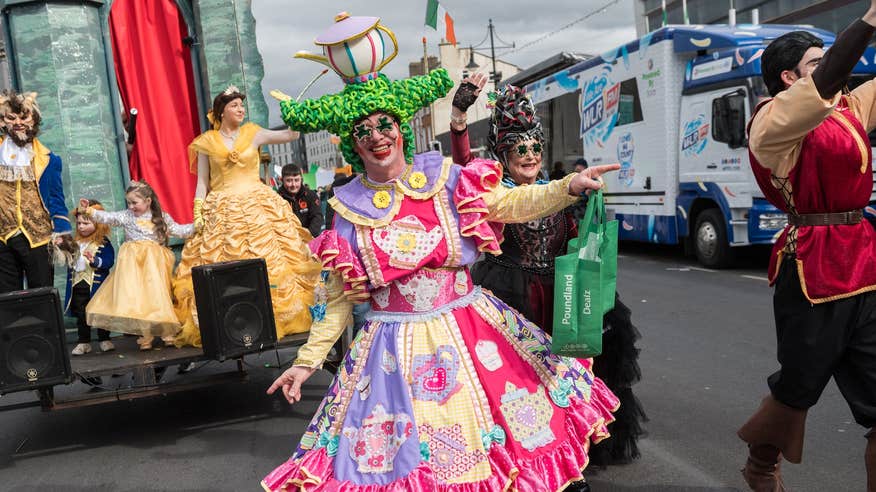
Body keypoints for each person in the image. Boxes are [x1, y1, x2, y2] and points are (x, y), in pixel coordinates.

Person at [261, 13, 621, 491]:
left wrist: (566, 186)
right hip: (392, 351)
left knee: (500, 444)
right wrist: (306, 362)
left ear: (400, 128)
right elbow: (340, 298)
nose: (377, 136)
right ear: (353, 142)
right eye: (364, 129)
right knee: (414, 468)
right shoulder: (346, 210)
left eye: (385, 123)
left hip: (469, 327)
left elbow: (509, 203)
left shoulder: (446, 178)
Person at [450, 76, 647, 469]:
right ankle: (527, 457)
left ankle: (574, 446)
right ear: (503, 155)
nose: (530, 154)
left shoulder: (557, 189)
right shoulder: (494, 196)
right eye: (519, 149)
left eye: (535, 147)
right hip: (511, 297)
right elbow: (464, 169)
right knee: (519, 384)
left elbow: (574, 242)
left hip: (562, 293)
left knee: (572, 376)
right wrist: (458, 121)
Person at [738, 3, 876, 490]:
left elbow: (848, 83)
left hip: (864, 258)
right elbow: (827, 82)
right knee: (798, 388)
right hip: (811, 268)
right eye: (817, 62)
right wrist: (869, 19)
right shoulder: (769, 123)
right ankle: (761, 461)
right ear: (788, 77)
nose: (833, 67)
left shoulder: (847, 108)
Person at [172, 86, 322, 347]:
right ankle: (233, 321)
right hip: (222, 208)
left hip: (257, 204)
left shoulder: (253, 133)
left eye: (242, 105)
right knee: (223, 262)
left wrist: (292, 112)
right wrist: (198, 210)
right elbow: (202, 183)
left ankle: (273, 315)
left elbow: (291, 134)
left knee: (272, 257)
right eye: (235, 105)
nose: (241, 109)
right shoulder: (206, 142)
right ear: (222, 110)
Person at [81, 181, 192, 350]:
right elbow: (108, 217)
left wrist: (197, 227)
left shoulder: (160, 217)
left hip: (154, 263)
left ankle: (166, 331)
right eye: (129, 203)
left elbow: (178, 230)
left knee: (158, 295)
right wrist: (90, 211)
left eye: (135, 202)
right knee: (140, 298)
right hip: (133, 264)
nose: (131, 206)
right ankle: (145, 334)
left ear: (148, 201)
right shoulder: (127, 216)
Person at [0, 90, 72, 293]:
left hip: (38, 235)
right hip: (2, 235)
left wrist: (62, 231)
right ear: (3, 121)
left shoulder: (49, 160)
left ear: (34, 120)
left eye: (24, 117)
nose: (18, 122)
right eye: (11, 118)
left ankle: (44, 327)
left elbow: (56, 198)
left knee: (41, 292)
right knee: (6, 296)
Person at [67, 200, 116, 355]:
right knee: (82, 316)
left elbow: (109, 261)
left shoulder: (103, 242)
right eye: (79, 223)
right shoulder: (74, 242)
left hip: (97, 287)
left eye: (85, 223)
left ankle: (104, 339)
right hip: (78, 286)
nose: (81, 227)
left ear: (98, 224)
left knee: (100, 313)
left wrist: (95, 261)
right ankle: (84, 342)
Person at [277, 163, 323, 237]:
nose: (293, 184)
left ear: (301, 179)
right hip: (287, 242)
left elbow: (317, 217)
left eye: (296, 180)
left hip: (309, 239)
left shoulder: (310, 195)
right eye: (289, 181)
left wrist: (308, 236)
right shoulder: (276, 199)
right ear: (282, 180)